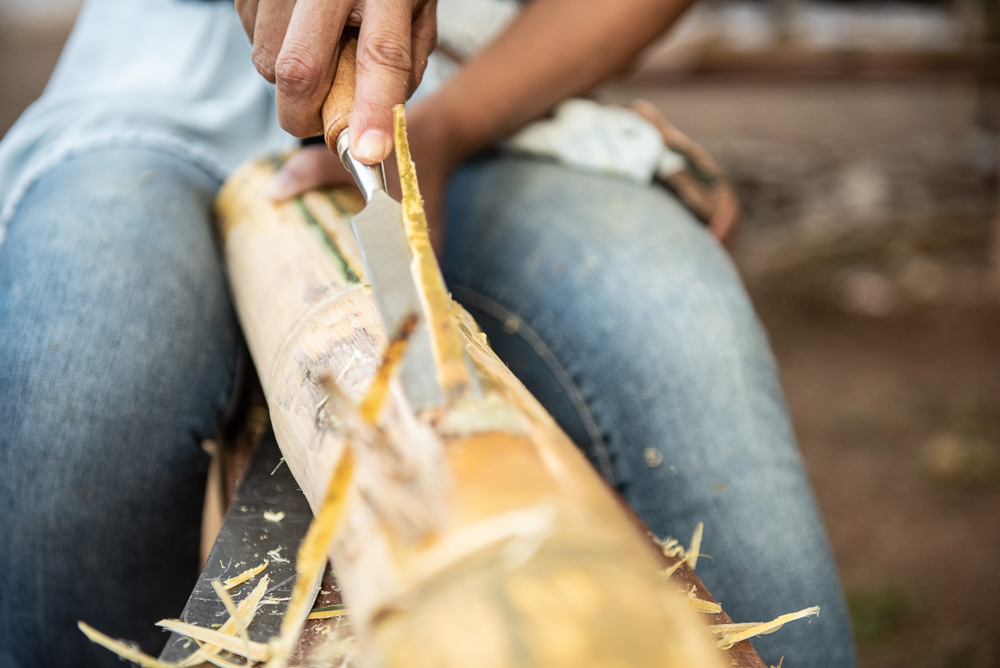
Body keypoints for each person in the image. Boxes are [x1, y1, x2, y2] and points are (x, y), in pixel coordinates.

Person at [0, 0, 858, 666]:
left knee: (683, 325)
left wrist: (445, 129)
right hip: (157, 89)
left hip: (486, 96)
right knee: (80, 387)